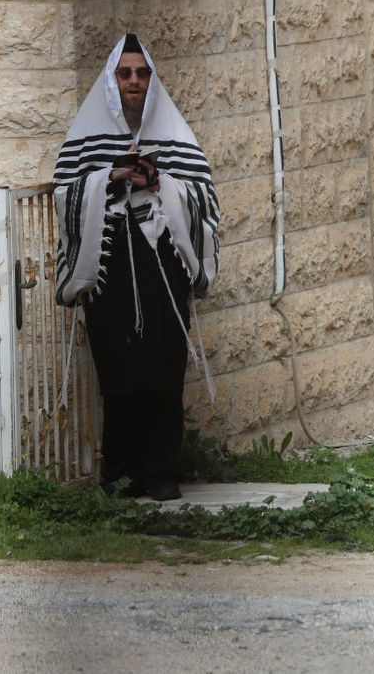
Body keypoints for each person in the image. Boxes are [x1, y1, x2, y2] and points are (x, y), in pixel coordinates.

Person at [53, 33, 219, 501]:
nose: (134, 82)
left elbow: (203, 197)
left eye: (142, 74)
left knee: (165, 367)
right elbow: (64, 194)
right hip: (108, 265)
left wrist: (158, 180)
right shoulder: (85, 136)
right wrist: (110, 177)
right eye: (125, 74)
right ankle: (120, 475)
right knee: (119, 369)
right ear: (111, 80)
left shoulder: (175, 133)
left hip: (160, 262)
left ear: (152, 79)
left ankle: (162, 472)